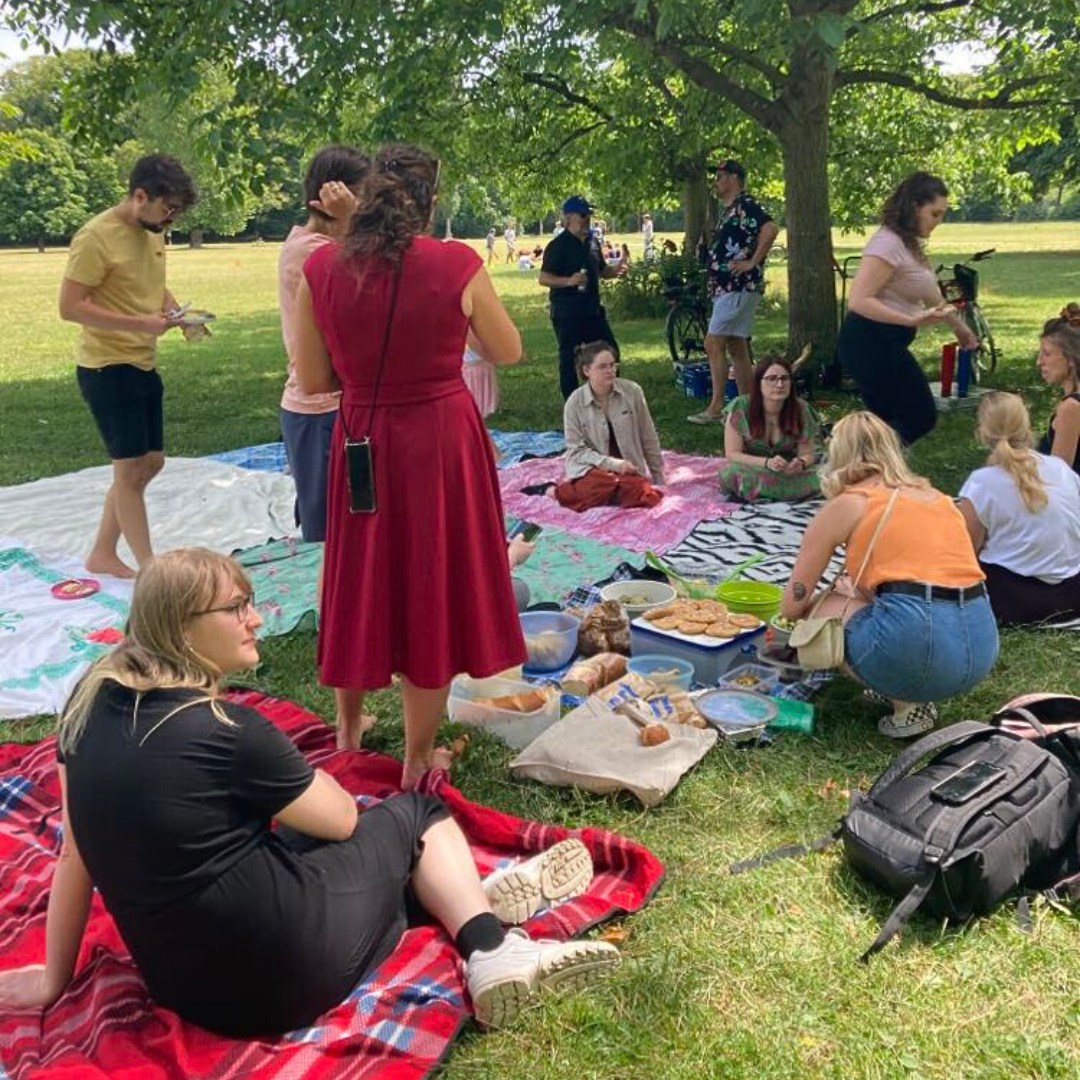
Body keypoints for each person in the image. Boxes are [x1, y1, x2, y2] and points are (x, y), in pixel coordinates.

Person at [0, 549, 619, 1036]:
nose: (257, 618)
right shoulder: (227, 732)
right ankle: (491, 948)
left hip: (188, 989)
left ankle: (453, 898)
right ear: (183, 630)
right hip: (285, 976)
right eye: (236, 607)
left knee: (297, 839)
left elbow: (74, 855)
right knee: (414, 816)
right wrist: (306, 775)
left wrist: (55, 977)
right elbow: (345, 819)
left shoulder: (87, 707)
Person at [293, 143, 527, 788]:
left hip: (361, 435)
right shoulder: (456, 263)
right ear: (431, 200)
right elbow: (507, 350)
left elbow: (314, 380)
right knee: (430, 580)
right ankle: (417, 758)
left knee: (359, 574)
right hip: (438, 439)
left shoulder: (322, 270)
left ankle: (346, 731)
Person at [780, 412, 998, 739]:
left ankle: (906, 703)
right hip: (980, 645)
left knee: (820, 612)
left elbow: (791, 605)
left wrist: (820, 606)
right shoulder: (937, 498)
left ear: (837, 454)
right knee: (864, 600)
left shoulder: (850, 503)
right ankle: (901, 685)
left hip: (919, 646)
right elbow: (924, 579)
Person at [59, 153, 198, 578]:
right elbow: (70, 306)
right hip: (106, 367)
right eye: (167, 208)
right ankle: (149, 569)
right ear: (140, 195)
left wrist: (177, 314)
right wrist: (140, 323)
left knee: (150, 463)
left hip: (141, 363)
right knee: (130, 471)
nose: (170, 219)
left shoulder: (151, 230)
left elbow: (152, 283)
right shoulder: (95, 237)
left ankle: (102, 552)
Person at [837, 171, 979, 446]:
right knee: (917, 416)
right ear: (915, 206)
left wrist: (960, 328)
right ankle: (855, 463)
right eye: (935, 214)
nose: (939, 222)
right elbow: (859, 300)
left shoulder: (908, 243)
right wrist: (909, 319)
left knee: (896, 419)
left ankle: (871, 469)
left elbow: (930, 293)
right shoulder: (886, 243)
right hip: (867, 343)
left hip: (887, 343)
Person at [279, 146, 370, 545]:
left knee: (354, 519)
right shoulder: (313, 251)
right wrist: (352, 220)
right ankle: (328, 607)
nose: (367, 206)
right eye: (360, 196)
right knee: (329, 533)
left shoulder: (325, 245)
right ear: (330, 195)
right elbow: (372, 281)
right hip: (318, 411)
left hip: (336, 408)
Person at [957, 393, 1080, 626]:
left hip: (1015, 601)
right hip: (1073, 594)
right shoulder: (1062, 470)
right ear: (1028, 426)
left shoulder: (982, 482)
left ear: (982, 431)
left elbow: (966, 550)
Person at [688, 160, 779, 425]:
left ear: (733, 178)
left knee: (712, 343)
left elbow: (770, 229)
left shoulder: (745, 204)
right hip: (727, 288)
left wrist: (752, 262)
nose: (715, 181)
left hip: (737, 287)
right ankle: (749, 407)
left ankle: (716, 407)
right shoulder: (728, 211)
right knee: (737, 346)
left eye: (719, 176)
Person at [551, 341, 665, 512]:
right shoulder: (574, 403)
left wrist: (657, 474)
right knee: (596, 486)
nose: (610, 370)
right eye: (602, 366)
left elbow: (647, 433)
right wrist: (614, 465)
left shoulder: (632, 391)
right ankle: (555, 491)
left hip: (628, 468)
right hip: (595, 470)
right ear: (586, 370)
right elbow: (576, 450)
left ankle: (613, 491)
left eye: (612, 365)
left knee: (647, 496)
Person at [539, 195, 627, 400]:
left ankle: (607, 396)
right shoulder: (558, 245)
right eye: (583, 214)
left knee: (610, 351)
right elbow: (544, 278)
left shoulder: (593, 241)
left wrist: (618, 269)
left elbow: (603, 271)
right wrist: (568, 281)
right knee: (569, 359)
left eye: (590, 215)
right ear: (569, 218)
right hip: (567, 313)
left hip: (592, 311)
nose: (588, 219)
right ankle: (572, 405)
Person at [716, 355, 821, 503]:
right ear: (759, 383)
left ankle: (764, 494)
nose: (779, 384)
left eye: (784, 379)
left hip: (788, 472)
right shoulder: (740, 407)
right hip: (754, 469)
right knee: (732, 473)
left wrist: (800, 463)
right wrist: (766, 462)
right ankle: (790, 493)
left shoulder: (801, 409)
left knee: (826, 473)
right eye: (772, 379)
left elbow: (807, 453)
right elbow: (733, 454)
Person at [1036, 303, 1080, 474]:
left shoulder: (1071, 408)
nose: (1039, 362)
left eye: (1047, 354)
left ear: (1070, 358)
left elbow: (1058, 479)